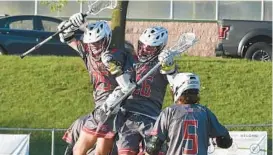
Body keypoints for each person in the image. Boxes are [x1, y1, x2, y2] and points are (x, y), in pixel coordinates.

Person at [57, 12, 135, 155]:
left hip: (115, 108)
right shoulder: (87, 52)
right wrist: (72, 22)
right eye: (91, 43)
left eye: (98, 42)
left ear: (106, 39)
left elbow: (129, 84)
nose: (94, 47)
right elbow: (64, 35)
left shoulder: (120, 54)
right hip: (98, 109)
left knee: (100, 151)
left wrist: (112, 66)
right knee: (77, 149)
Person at [116, 26, 178, 155]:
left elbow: (177, 86)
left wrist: (170, 69)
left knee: (155, 152)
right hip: (128, 115)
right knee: (125, 152)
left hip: (151, 117)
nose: (144, 49)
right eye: (142, 45)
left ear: (159, 48)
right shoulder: (130, 60)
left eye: (149, 47)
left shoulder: (164, 64)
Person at [145, 73, 233, 155]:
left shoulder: (169, 112)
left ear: (178, 89)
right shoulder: (205, 112)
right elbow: (225, 142)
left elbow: (152, 147)